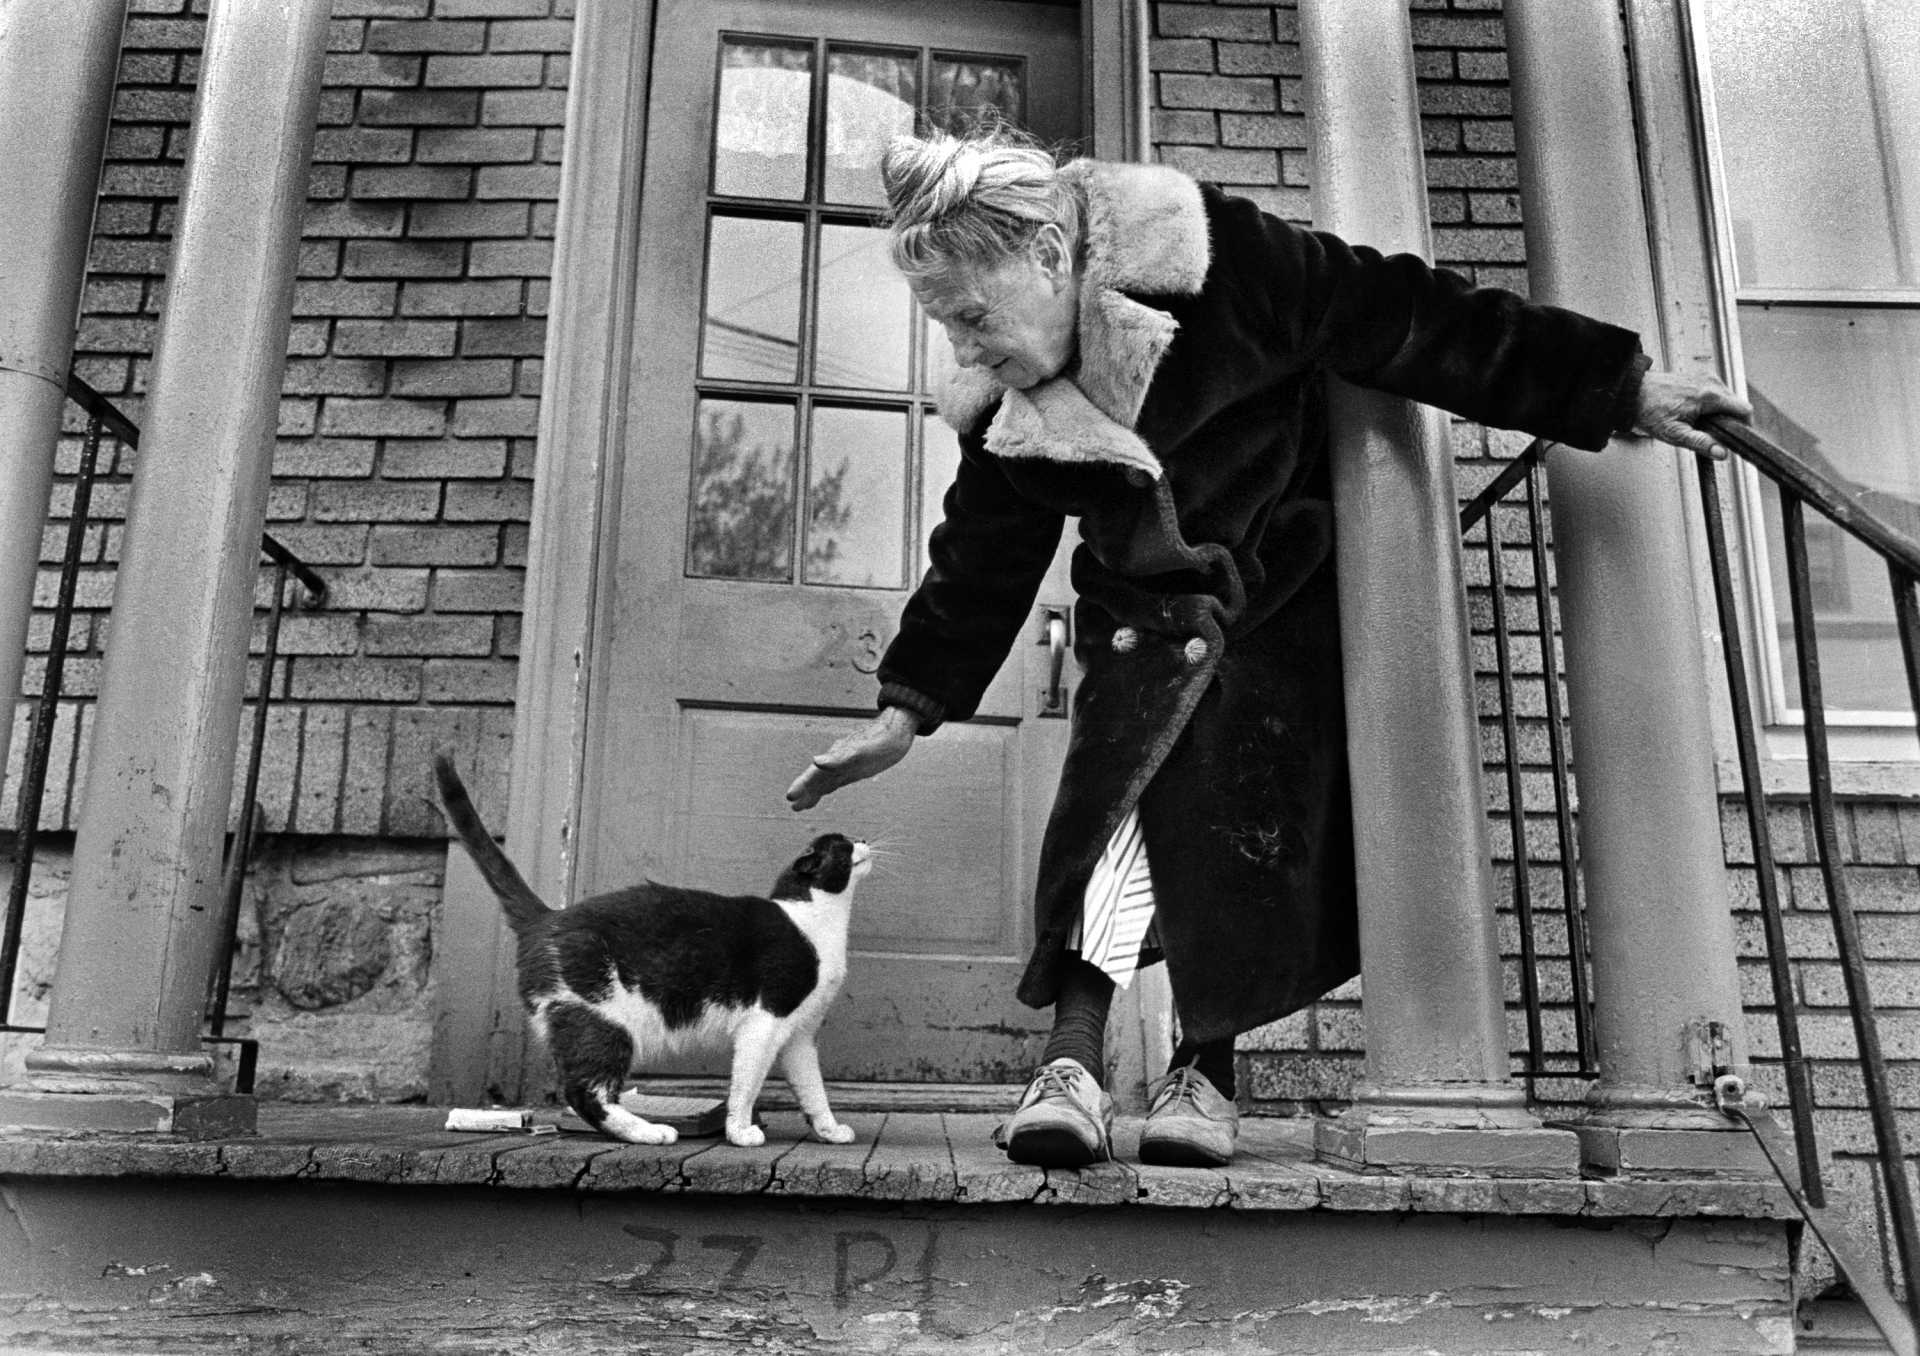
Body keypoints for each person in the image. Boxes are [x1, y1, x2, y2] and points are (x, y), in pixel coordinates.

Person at [785, 127, 1750, 1170]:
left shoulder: (1222, 259)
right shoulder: (1005, 406)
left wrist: (1617, 389)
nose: (966, 350)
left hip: (1271, 600)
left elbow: (1419, 317)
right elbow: (980, 556)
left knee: (1227, 829)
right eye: (949, 330)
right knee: (1105, 813)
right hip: (1137, 617)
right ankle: (1069, 1062)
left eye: (972, 317)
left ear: (1052, 257)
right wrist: (905, 710)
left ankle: (1205, 1072)